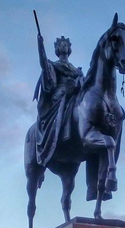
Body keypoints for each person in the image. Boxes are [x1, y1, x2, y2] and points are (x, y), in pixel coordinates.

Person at [33, 32, 83, 169]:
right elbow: (44, 64)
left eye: (65, 45)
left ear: (69, 49)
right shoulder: (53, 65)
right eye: (61, 45)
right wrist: (40, 46)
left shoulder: (76, 69)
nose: (63, 47)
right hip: (60, 93)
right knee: (62, 101)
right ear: (57, 49)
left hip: (75, 92)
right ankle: (57, 131)